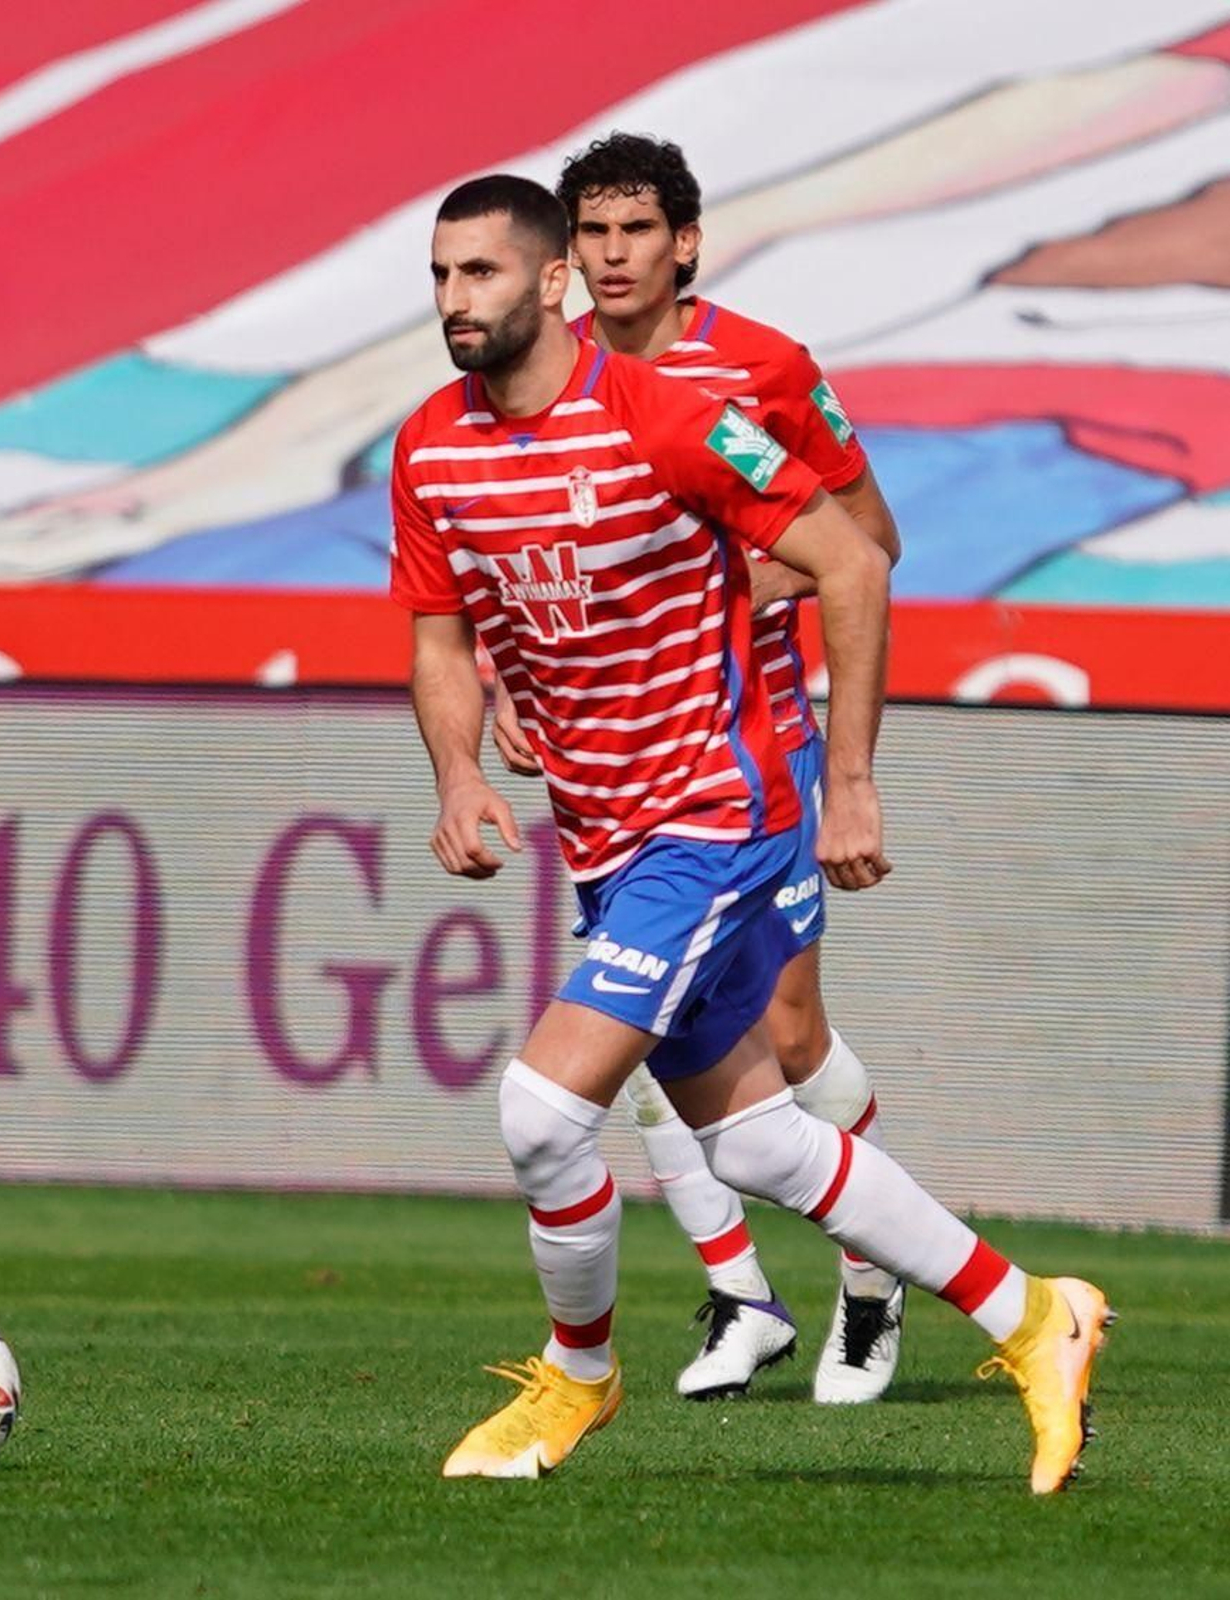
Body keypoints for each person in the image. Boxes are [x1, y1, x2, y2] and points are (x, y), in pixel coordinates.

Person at [389, 172, 1110, 1492]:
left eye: (479, 273)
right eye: (439, 277)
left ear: (551, 286)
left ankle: (578, 1383)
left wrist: (850, 782)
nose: (453, 300)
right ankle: (1035, 1315)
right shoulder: (430, 446)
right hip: (603, 842)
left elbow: (854, 559)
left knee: (545, 1112)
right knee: (761, 1142)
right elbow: (439, 635)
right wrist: (456, 768)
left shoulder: (675, 421)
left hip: (715, 818)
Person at [490, 132, 905, 1405]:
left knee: (781, 1030)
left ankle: (874, 1278)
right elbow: (520, 562)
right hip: (616, 759)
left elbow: (868, 539)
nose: (613, 258)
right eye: (593, 235)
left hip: (750, 744)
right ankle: (740, 1295)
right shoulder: (530, 382)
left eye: (636, 233)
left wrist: (720, 587)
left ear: (684, 244)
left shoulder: (762, 368)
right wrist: (516, 675)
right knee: (658, 1034)